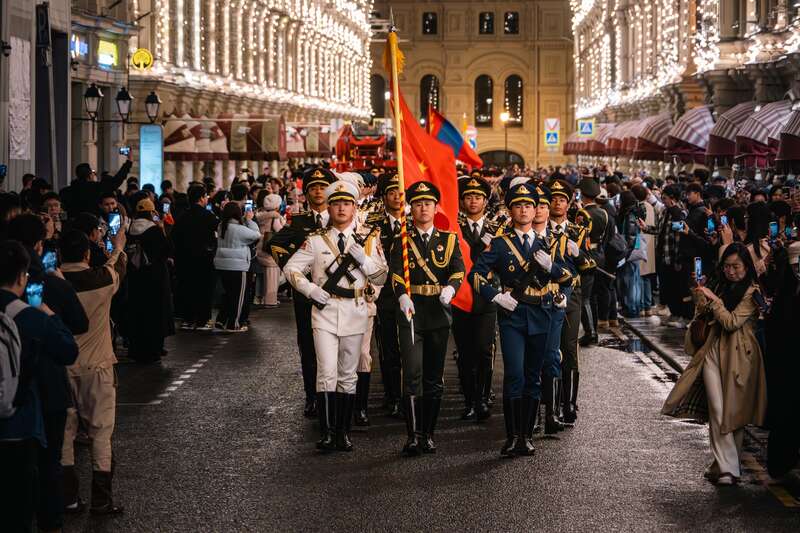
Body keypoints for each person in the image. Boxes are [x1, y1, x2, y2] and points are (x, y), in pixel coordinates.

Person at [468, 183, 574, 457]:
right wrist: (495, 296)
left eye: (529, 205)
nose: (524, 210)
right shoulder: (500, 244)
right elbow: (475, 275)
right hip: (513, 315)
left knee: (533, 376)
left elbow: (568, 277)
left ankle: (527, 437)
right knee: (514, 374)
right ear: (510, 210)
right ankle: (512, 436)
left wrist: (552, 267)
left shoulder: (548, 243)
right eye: (518, 205)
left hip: (542, 313)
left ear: (535, 209)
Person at [283, 180, 387, 452]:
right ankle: (327, 433)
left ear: (354, 208)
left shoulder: (368, 240)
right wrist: (310, 290)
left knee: (348, 375)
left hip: (355, 311)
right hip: (325, 312)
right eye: (336, 203)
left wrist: (364, 261)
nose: (342, 208)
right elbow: (291, 269)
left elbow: (381, 276)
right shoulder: (316, 240)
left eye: (347, 203)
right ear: (328, 208)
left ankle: (343, 433)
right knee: (326, 371)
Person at [6, 214, 89, 531]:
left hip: (9, 394)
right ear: (40, 244)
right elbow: (75, 332)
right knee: (48, 460)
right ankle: (50, 520)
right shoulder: (50, 286)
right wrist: (51, 313)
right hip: (48, 384)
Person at [662, 243, 766, 486]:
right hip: (712, 350)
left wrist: (714, 299)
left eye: (736, 266)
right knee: (718, 409)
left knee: (734, 413)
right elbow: (703, 314)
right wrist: (701, 294)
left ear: (746, 266)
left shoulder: (752, 292)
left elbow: (731, 322)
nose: (731, 271)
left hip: (740, 357)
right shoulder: (718, 285)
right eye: (727, 266)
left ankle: (722, 464)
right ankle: (729, 469)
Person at [390, 181, 465, 456]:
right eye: (418, 203)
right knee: (412, 373)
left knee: (434, 376)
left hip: (437, 311)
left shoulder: (449, 239)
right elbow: (396, 272)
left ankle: (428, 434)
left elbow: (458, 269)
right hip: (411, 312)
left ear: (435, 208)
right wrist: (401, 295)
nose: (423, 208)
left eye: (428, 204)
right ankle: (413, 436)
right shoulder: (402, 240)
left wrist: (451, 289)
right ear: (411, 208)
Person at [60, 227, 127, 514]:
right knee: (101, 432)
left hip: (61, 366)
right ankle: (102, 498)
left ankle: (67, 497)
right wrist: (118, 246)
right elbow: (118, 267)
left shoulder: (51, 283)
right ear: (87, 254)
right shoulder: (102, 279)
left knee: (64, 434)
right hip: (97, 366)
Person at [269, 166, 335, 417]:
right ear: (305, 194)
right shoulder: (299, 222)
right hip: (306, 295)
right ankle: (312, 396)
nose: (318, 192)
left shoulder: (340, 218)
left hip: (336, 293)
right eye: (313, 188)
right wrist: (295, 271)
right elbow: (274, 244)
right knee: (308, 345)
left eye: (322, 187)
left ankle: (336, 397)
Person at [453, 176, 499, 422]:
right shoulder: (454, 227)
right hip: (461, 296)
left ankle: (482, 397)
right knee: (465, 352)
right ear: (462, 201)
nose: (473, 201)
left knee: (484, 349)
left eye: (478, 197)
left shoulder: (497, 229)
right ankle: (469, 401)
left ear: (485, 201)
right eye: (469, 197)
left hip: (486, 296)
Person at [548, 178, 594, 426]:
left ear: (569, 204)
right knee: (548, 348)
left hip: (571, 294)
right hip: (546, 292)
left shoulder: (578, 231)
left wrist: (579, 254)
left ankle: (569, 402)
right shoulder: (540, 229)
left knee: (568, 345)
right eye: (553, 199)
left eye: (562, 200)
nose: (557, 203)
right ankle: (551, 404)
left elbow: (589, 266)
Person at [366, 173, 405, 418]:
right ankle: (393, 396)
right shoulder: (373, 225)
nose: (396, 197)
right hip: (385, 295)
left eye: (399, 193)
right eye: (391, 192)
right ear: (384, 197)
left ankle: (410, 394)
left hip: (411, 295)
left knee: (411, 347)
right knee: (388, 348)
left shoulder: (414, 223)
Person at [125, 199, 175, 362]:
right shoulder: (154, 230)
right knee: (155, 312)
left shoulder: (129, 229)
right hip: (155, 277)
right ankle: (154, 350)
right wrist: (161, 228)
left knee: (138, 312)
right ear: (152, 213)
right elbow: (167, 249)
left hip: (135, 277)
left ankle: (136, 349)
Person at [213, 202, 261, 332]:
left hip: (222, 265)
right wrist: (249, 220)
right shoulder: (239, 229)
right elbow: (256, 235)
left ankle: (221, 320)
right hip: (238, 266)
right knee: (238, 297)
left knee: (228, 294)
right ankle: (234, 324)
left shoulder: (221, 226)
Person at [575, 178, 609, 346]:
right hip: (600, 254)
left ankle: (590, 332)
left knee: (585, 297)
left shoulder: (583, 214)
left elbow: (580, 237)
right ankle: (593, 329)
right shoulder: (603, 212)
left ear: (583, 195)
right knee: (593, 296)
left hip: (587, 255)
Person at [61, 160, 132, 219]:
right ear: (90, 176)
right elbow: (116, 181)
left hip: (72, 225)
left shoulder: (65, 192)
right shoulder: (96, 188)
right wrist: (128, 162)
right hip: (91, 223)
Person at [254, 192, 285, 308]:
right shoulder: (275, 217)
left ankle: (260, 298)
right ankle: (270, 300)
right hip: (270, 247)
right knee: (272, 274)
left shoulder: (260, 216)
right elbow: (279, 230)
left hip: (260, 244)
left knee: (262, 276)